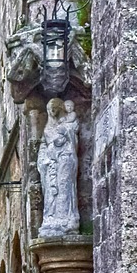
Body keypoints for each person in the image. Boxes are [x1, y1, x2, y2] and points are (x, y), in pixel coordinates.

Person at [37, 99, 79, 238]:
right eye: (50, 109)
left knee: (64, 188)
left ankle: (65, 220)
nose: (52, 111)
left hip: (65, 159)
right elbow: (45, 144)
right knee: (50, 192)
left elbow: (71, 142)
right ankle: (51, 219)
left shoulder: (67, 125)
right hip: (51, 164)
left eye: (55, 108)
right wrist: (45, 161)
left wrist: (64, 137)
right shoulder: (49, 128)